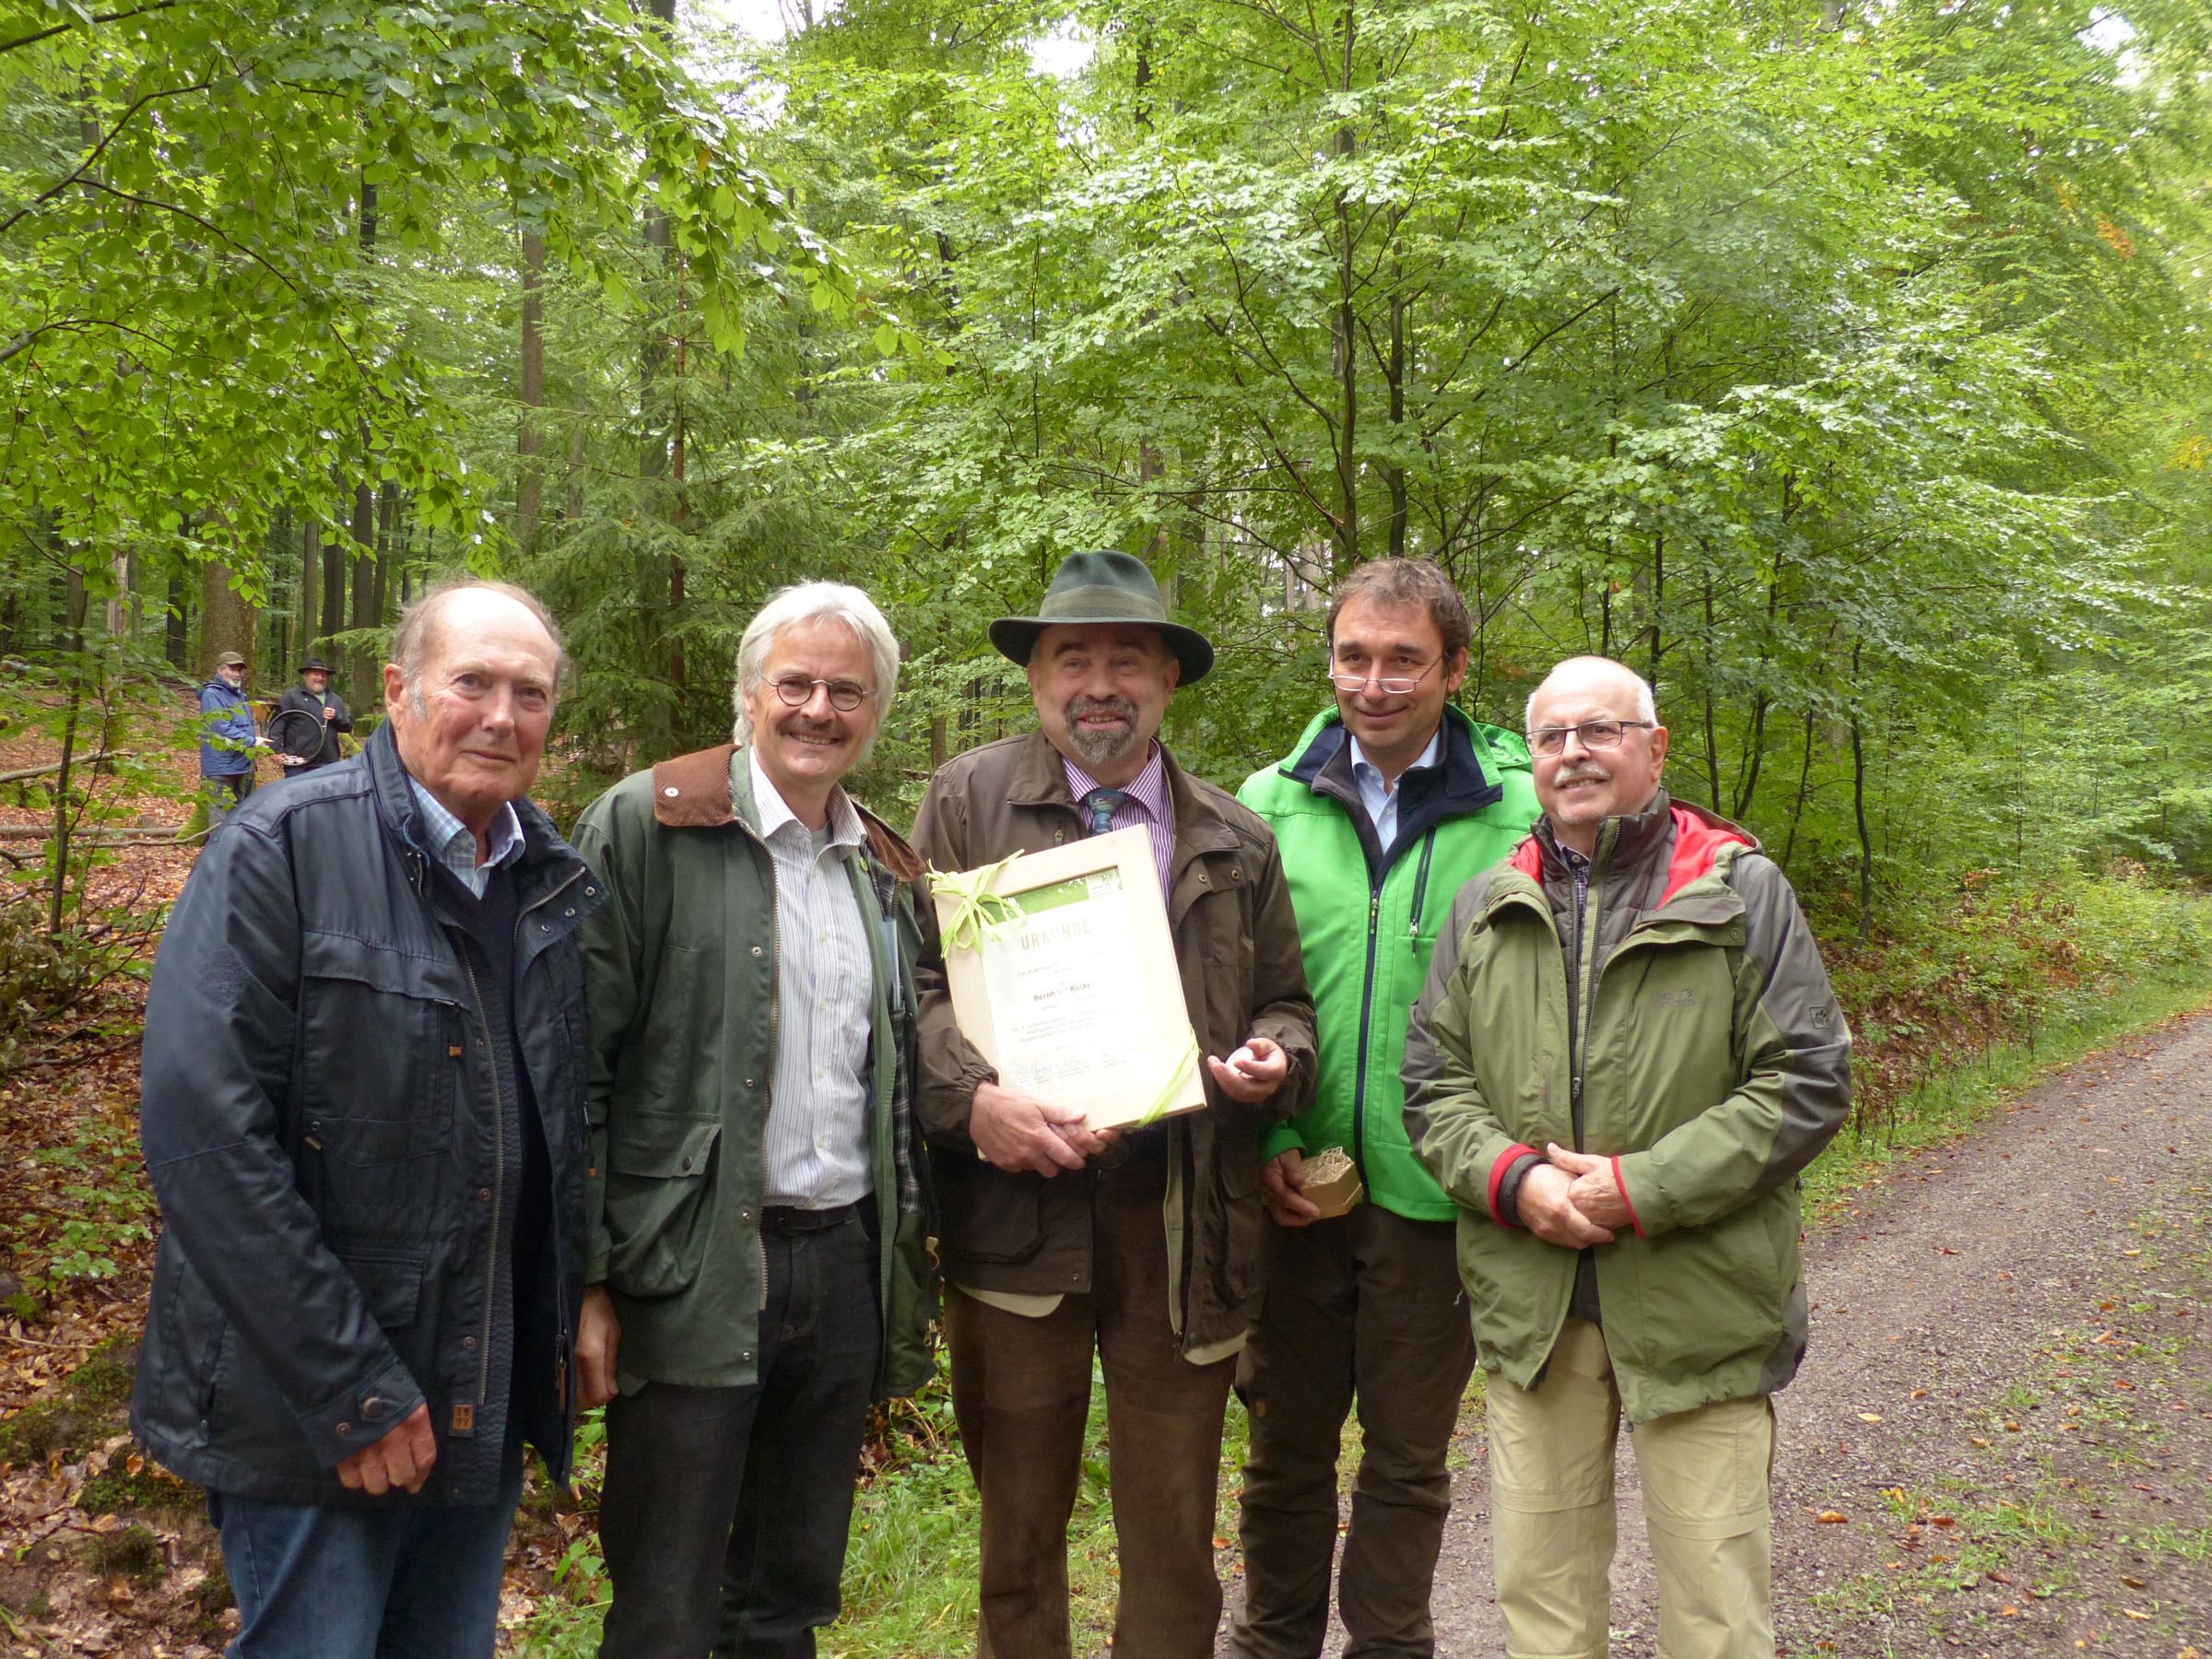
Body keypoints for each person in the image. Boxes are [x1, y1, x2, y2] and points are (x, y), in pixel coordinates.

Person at [132, 581, 595, 1659]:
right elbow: (204, 1138)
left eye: (530, 694)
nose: (502, 716)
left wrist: (576, 1311)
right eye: (472, 682)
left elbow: (561, 1124)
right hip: (312, 1412)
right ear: (397, 691)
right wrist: (349, 1386)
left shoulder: (546, 879)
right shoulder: (282, 846)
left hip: (475, 1387)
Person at [1403, 654, 1852, 1659]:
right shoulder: (1486, 904)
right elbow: (1432, 1086)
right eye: (1553, 736)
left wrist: (1637, 1189)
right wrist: (1517, 1182)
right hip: (1533, 1309)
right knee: (1543, 1604)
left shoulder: (1739, 892)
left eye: (1600, 730)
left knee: (1716, 1611)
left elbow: (1808, 1080)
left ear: (1653, 748)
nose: (1574, 753)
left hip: (1700, 1308)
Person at [912, 548, 1317, 1659]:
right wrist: (973, 1102)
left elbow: (1286, 1005)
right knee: (1016, 1539)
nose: (1101, 685)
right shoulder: (965, 801)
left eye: (1127, 661)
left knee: (1174, 1543)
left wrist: (1275, 1062)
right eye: (1073, 659)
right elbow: (913, 988)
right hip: (1016, 1217)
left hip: (1182, 1221)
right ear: (1036, 677)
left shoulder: (1236, 836)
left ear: (1168, 680)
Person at [570, 582, 935, 1659]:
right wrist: (586, 1278)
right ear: (748, 693)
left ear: (876, 711)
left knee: (785, 1599)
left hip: (841, 1268)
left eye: (847, 692)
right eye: (796, 684)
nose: (819, 709)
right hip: (689, 1266)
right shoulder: (649, 823)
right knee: (666, 1604)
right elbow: (575, 1067)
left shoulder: (881, 863)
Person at [1229, 558, 1537, 1659]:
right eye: (1353, 657)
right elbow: (1238, 988)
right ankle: (1271, 1643)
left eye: (1404, 660)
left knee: (1408, 1459)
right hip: (1295, 1187)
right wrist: (1271, 1133)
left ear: (1455, 669)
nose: (1374, 683)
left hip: (1440, 1190)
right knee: (1285, 1452)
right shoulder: (1266, 803)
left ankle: (1391, 1644)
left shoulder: (1520, 811)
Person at [195, 650, 264, 825]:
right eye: (232, 669)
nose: (237, 674)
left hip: (242, 765)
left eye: (240, 670)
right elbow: (219, 727)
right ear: (219, 670)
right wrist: (251, 742)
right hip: (221, 768)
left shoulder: (241, 696)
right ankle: (217, 844)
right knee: (220, 819)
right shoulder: (212, 694)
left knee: (243, 817)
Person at [274, 654, 354, 774]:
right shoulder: (292, 696)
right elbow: (278, 724)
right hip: (298, 763)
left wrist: (336, 717)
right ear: (305, 675)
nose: (320, 678)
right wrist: (276, 751)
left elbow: (348, 726)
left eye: (324, 675)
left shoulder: (335, 699)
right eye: (316, 674)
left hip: (329, 763)